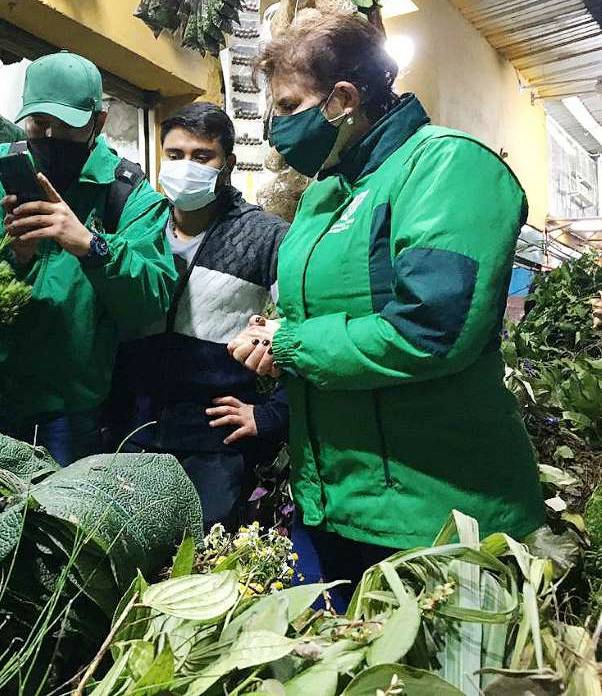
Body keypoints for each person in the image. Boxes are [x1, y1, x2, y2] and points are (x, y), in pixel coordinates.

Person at [230, 12, 545, 608]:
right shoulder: (325, 194)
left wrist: (293, 343)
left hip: (437, 518)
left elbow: (432, 328)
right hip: (332, 503)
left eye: (290, 106)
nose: (276, 130)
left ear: (343, 99)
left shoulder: (448, 168)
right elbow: (316, 318)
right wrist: (277, 338)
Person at [0, 51, 176, 465]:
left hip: (70, 411)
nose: (51, 136)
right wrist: (14, 255)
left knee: (61, 523)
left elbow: (152, 301)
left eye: (67, 126)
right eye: (40, 124)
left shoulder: (127, 194)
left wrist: (92, 247)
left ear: (99, 122)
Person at [107, 103, 289, 530]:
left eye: (201, 156)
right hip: (135, 432)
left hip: (213, 444)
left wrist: (270, 414)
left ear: (226, 163)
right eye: (175, 155)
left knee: (201, 566)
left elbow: (301, 329)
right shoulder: (142, 226)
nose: (185, 166)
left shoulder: (265, 236)